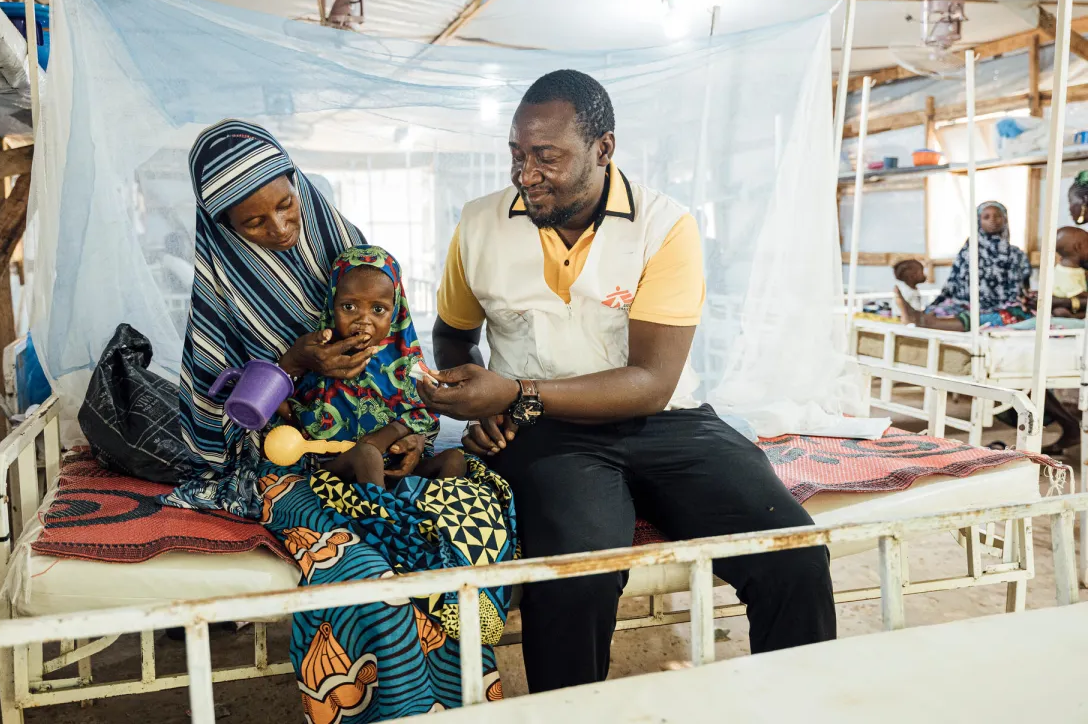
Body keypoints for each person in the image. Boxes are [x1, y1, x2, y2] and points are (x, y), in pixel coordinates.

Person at [417, 70, 836, 693]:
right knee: (575, 577)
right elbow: (453, 333)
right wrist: (479, 398)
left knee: (794, 555)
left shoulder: (663, 226)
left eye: (546, 157)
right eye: (516, 154)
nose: (524, 173)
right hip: (553, 433)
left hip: (668, 421)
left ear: (602, 150)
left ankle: (803, 704)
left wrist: (513, 394)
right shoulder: (478, 225)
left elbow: (652, 381)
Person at [165, 119, 512, 720]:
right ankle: (390, 707)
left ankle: (463, 707)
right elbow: (213, 411)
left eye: (286, 204)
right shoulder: (222, 286)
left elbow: (405, 365)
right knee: (362, 573)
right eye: (253, 222)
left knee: (456, 548)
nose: (279, 228)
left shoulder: (351, 258)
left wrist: (407, 436)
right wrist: (293, 361)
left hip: (378, 454)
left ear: (299, 185)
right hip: (290, 461)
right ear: (224, 229)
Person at [290, 245, 469, 486]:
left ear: (395, 312)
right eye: (349, 307)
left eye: (378, 309)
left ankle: (431, 511)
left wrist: (393, 436)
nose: (363, 320)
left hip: (397, 464)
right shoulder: (321, 358)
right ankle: (382, 515)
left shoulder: (408, 365)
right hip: (338, 469)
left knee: (455, 459)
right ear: (332, 305)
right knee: (366, 454)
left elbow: (427, 415)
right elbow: (297, 410)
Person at [896, 201, 1033, 331]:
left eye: (998, 216)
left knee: (998, 317)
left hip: (1004, 305)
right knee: (942, 310)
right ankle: (920, 317)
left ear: (1005, 220)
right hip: (965, 302)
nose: (993, 220)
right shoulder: (968, 251)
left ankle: (926, 322)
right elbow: (953, 283)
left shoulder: (1016, 254)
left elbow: (1024, 288)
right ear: (978, 221)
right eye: (986, 217)